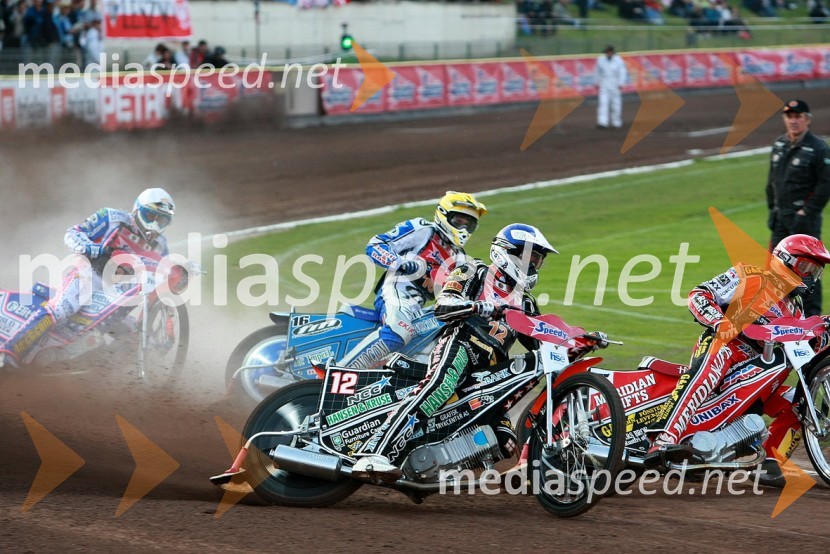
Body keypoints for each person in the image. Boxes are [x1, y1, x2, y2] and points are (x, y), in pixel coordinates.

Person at [352, 224, 608, 477]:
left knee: (505, 440)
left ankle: (433, 464)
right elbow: (444, 305)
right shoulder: (473, 270)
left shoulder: (526, 301)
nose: (533, 266)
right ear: (508, 253)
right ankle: (374, 453)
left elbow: (544, 342)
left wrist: (580, 340)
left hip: (491, 371)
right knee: (436, 389)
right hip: (461, 344)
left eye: (537, 261)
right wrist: (479, 307)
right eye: (530, 258)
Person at [644, 234, 830, 485]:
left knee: (800, 403)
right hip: (725, 348)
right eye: (806, 267)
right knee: (714, 360)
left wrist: (822, 335)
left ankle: (770, 461)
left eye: (815, 271)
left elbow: (803, 349)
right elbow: (699, 295)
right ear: (786, 260)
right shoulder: (751, 275)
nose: (810, 276)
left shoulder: (795, 307)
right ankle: (665, 437)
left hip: (762, 372)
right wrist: (720, 322)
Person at [0, 188, 176, 368]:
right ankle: (9, 352)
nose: (155, 224)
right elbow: (73, 233)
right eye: (150, 216)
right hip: (88, 272)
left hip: (113, 294)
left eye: (161, 220)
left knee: (133, 336)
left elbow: (165, 275)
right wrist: (91, 247)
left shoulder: (160, 245)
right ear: (137, 210)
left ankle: (94, 379)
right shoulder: (112, 217)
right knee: (62, 308)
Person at [337, 192, 487, 370]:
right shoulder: (423, 229)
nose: (463, 228)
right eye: (459, 221)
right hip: (396, 289)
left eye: (469, 224)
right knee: (400, 331)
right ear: (443, 214)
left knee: (443, 341)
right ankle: (340, 370)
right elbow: (375, 245)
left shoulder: (461, 259)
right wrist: (399, 262)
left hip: (419, 306)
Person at [767, 99, 830, 316]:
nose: (793, 121)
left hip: (804, 222)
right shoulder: (779, 145)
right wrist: (772, 209)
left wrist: (807, 212)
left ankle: (812, 319)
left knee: (808, 272)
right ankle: (780, 316)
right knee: (775, 271)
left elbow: (826, 184)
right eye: (789, 117)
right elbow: (772, 181)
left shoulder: (818, 148)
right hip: (780, 220)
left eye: (798, 117)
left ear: (807, 120)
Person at [594, 44, 628, 129]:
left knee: (616, 104)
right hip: (604, 83)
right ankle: (602, 122)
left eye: (610, 52)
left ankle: (616, 122)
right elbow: (597, 72)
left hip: (615, 84)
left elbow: (622, 72)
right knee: (603, 103)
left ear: (613, 52)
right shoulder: (600, 60)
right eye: (607, 52)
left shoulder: (618, 60)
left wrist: (621, 83)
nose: (608, 54)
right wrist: (596, 82)